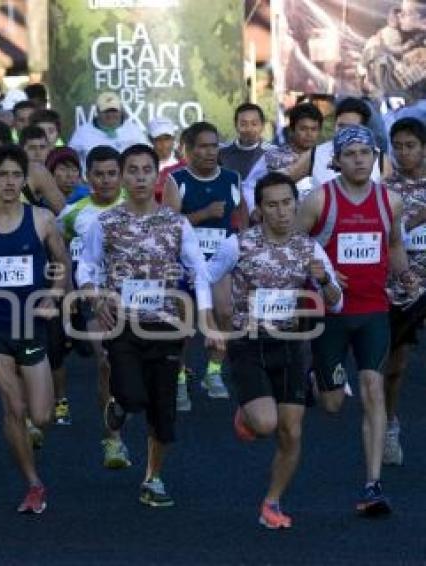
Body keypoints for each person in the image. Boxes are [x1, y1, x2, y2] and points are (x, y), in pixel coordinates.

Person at [78, 143, 221, 507]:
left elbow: (199, 273)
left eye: (146, 170)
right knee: (133, 394)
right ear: (123, 177)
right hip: (122, 324)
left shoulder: (176, 223)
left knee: (163, 411)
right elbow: (87, 266)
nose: (140, 177)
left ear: (157, 175)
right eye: (133, 170)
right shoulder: (105, 222)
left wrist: (207, 320)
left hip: (166, 325)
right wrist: (95, 297)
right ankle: (120, 405)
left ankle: (153, 479)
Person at [208, 171, 342, 529]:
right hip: (248, 343)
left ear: (296, 205)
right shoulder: (237, 244)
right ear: (260, 210)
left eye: (287, 203)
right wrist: (214, 323)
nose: (282, 211)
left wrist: (325, 279)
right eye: (272, 205)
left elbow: (337, 302)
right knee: (266, 424)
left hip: (291, 344)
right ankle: (247, 415)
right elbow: (205, 277)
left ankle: (272, 502)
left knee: (292, 432)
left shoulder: (309, 247)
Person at [298, 125, 417, 517]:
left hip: (373, 310)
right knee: (332, 405)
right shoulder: (319, 200)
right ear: (337, 160)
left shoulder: (391, 201)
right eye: (351, 154)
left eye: (366, 153)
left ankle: (372, 484)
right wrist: (321, 271)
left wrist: (405, 275)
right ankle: (319, 379)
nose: (359, 160)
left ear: (376, 157)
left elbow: (395, 244)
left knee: (372, 388)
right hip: (332, 313)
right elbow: (292, 247)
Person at [0, 143, 70, 514]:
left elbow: (61, 261)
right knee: (14, 406)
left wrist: (53, 295)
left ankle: (30, 435)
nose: (8, 182)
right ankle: (33, 483)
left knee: (41, 415)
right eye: (1, 175)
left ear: (24, 180)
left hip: (31, 323)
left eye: (15, 175)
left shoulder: (41, 220)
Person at [60, 145, 129, 466]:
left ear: (121, 176)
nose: (105, 181)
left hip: (137, 298)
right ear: (87, 178)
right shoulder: (74, 213)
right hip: (95, 296)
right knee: (106, 363)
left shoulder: (137, 206)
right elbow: (53, 242)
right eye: (98, 175)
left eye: (111, 174)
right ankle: (112, 439)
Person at [172, 121, 247, 402]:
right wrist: (203, 214)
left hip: (220, 260)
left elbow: (244, 218)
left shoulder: (232, 178)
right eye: (202, 146)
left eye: (214, 145)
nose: (209, 151)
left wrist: (243, 243)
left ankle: (213, 371)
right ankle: (179, 375)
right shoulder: (176, 180)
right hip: (186, 262)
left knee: (226, 311)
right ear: (188, 151)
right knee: (184, 321)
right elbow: (168, 224)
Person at [382, 117, 426, 466]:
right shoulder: (386, 189)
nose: (403, 152)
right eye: (397, 146)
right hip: (401, 287)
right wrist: (414, 221)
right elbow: (386, 235)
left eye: (410, 146)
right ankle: (389, 425)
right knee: (395, 365)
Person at [282, 97, 384, 189]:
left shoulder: (381, 159)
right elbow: (282, 182)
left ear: (363, 129)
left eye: (351, 127)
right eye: (341, 126)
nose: (343, 131)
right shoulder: (315, 155)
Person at [244, 103, 324, 207]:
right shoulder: (272, 157)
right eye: (303, 129)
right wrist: (253, 210)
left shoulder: (326, 159)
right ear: (291, 130)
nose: (309, 134)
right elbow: (249, 187)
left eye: (314, 129)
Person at [68, 91, 144, 170]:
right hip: (92, 181)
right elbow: (69, 159)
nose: (110, 115)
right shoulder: (82, 132)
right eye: (106, 111)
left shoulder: (134, 131)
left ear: (121, 110)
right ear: (97, 111)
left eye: (114, 110)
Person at [219, 103, 270, 180]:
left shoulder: (273, 153)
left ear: (262, 126)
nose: (249, 129)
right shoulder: (222, 154)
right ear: (236, 126)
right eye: (243, 124)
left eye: (254, 124)